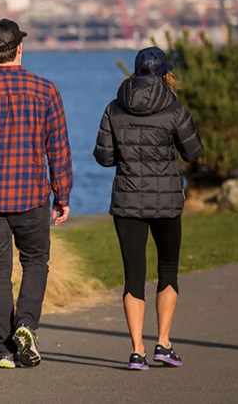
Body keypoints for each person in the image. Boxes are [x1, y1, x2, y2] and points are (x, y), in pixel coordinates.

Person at [0, 19, 74, 369]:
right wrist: (62, 194)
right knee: (36, 262)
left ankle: (4, 351)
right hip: (32, 197)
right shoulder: (46, 90)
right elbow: (59, 150)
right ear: (19, 48)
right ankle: (25, 325)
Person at [93, 46, 203, 370]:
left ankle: (137, 350)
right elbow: (193, 151)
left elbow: (103, 156)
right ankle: (164, 343)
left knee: (133, 277)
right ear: (165, 73)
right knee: (167, 269)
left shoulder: (114, 108)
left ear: (135, 72)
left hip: (127, 201)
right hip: (167, 201)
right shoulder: (174, 108)